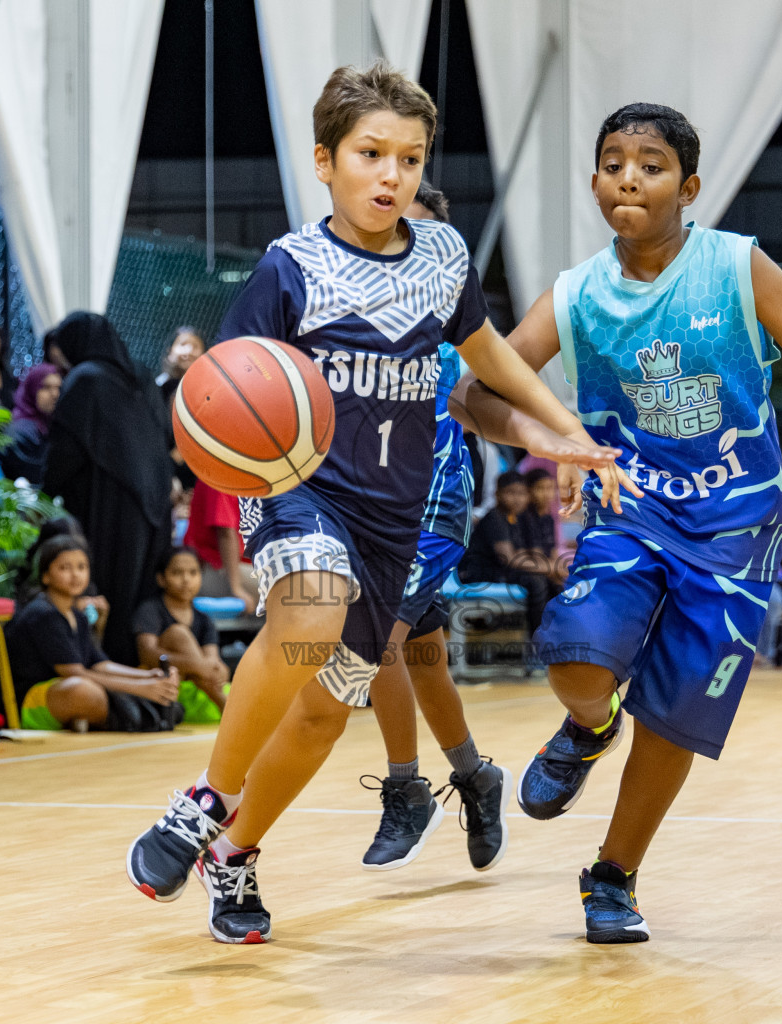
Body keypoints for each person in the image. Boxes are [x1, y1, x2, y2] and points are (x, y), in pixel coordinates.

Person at [123, 61, 621, 944]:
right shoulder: (292, 267)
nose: (390, 174)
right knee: (310, 611)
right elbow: (225, 385)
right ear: (325, 161)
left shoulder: (443, 260)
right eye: (369, 154)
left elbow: (494, 359)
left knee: (323, 712)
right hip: (302, 492)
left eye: (409, 157)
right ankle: (203, 800)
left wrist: (565, 431)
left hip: (396, 517)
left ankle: (233, 854)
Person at [454, 102, 782, 943]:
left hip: (734, 524)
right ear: (592, 181)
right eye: (614, 162)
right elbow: (479, 388)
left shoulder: (736, 267)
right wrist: (552, 441)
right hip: (632, 507)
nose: (630, 176)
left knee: (678, 713)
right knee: (581, 665)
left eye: (651, 165)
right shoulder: (578, 295)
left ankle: (612, 875)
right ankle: (588, 727)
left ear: (688, 187)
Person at [358, 179, 510, 874]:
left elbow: (500, 394)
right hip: (374, 509)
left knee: (374, 635)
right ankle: (476, 777)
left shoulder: (451, 334)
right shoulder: (350, 320)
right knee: (421, 657)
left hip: (433, 509)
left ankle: (405, 787)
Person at [41, 312, 172, 665]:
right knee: (140, 595)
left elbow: (64, 453)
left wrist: (44, 492)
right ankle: (141, 679)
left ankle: (108, 675)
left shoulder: (85, 380)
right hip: (156, 509)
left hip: (107, 509)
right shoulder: (143, 378)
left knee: (106, 589)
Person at [4, 535, 180, 731]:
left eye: (81, 567)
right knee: (83, 690)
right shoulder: (43, 614)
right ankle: (135, 714)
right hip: (32, 700)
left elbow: (100, 664)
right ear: (45, 576)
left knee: (99, 688)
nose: (75, 575)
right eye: (64, 568)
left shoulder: (77, 615)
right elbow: (75, 673)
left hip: (67, 686)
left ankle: (132, 713)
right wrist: (141, 689)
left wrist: (147, 677)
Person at [133, 546, 230, 722]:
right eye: (177, 573)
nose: (186, 579)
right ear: (161, 579)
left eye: (193, 573)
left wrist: (209, 669)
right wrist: (197, 665)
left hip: (195, 686)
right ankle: (226, 706)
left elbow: (213, 664)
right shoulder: (150, 610)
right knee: (178, 633)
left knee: (217, 669)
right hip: (160, 682)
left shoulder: (204, 619)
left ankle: (227, 707)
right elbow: (146, 654)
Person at [459, 471, 562, 635]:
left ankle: (554, 636)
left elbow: (521, 555)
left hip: (500, 571)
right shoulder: (495, 518)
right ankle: (536, 641)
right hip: (478, 572)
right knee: (536, 582)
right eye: (510, 492)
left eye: (521, 494)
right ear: (497, 494)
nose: (517, 499)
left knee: (552, 583)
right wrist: (550, 568)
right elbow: (509, 559)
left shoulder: (514, 518)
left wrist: (550, 569)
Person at [182, 480, 257, 605]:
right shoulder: (219, 476)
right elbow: (225, 534)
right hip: (213, 569)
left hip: (244, 564)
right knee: (289, 588)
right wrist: (236, 588)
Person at [0, 363, 61, 485]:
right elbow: (36, 480)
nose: (55, 394)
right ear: (31, 389)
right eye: (46, 387)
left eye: (58, 388)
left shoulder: (49, 425)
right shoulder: (22, 431)